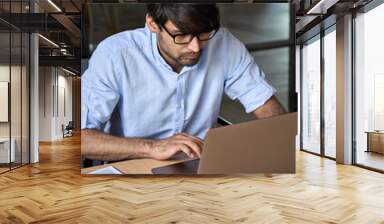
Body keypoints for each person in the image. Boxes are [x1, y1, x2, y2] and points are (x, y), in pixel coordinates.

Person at [81, 3, 285, 162]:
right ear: (152, 24)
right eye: (181, 36)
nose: (196, 47)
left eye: (203, 33)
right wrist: (154, 147)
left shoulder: (223, 43)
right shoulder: (115, 54)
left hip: (201, 165)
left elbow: (269, 110)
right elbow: (77, 139)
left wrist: (273, 138)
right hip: (132, 165)